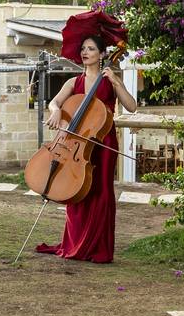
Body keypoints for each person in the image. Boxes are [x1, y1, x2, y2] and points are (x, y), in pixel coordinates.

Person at [36, 35, 137, 263]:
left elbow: (131, 106)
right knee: (77, 191)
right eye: (83, 48)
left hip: (103, 143)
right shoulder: (73, 82)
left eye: (91, 49)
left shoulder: (111, 79)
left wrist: (116, 82)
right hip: (78, 145)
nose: (85, 52)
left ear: (102, 54)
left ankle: (99, 249)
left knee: (101, 193)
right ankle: (76, 244)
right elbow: (55, 102)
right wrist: (56, 112)